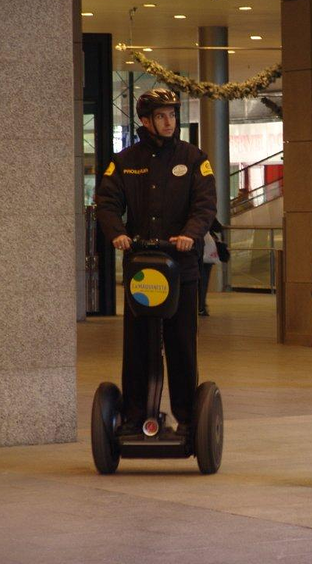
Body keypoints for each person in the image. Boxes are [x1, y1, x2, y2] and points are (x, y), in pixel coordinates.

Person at [96, 88, 217, 435]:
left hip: (182, 269)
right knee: (138, 347)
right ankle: (134, 416)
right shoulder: (124, 162)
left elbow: (205, 205)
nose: (169, 122)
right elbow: (106, 203)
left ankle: (187, 417)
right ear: (145, 120)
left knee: (181, 345)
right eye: (161, 116)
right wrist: (117, 232)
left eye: (173, 115)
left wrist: (191, 234)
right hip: (142, 269)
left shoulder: (194, 159)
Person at [199, 218, 224, 316]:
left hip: (190, 250)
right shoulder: (205, 212)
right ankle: (201, 306)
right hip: (205, 251)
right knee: (203, 281)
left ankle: (197, 305)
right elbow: (218, 228)